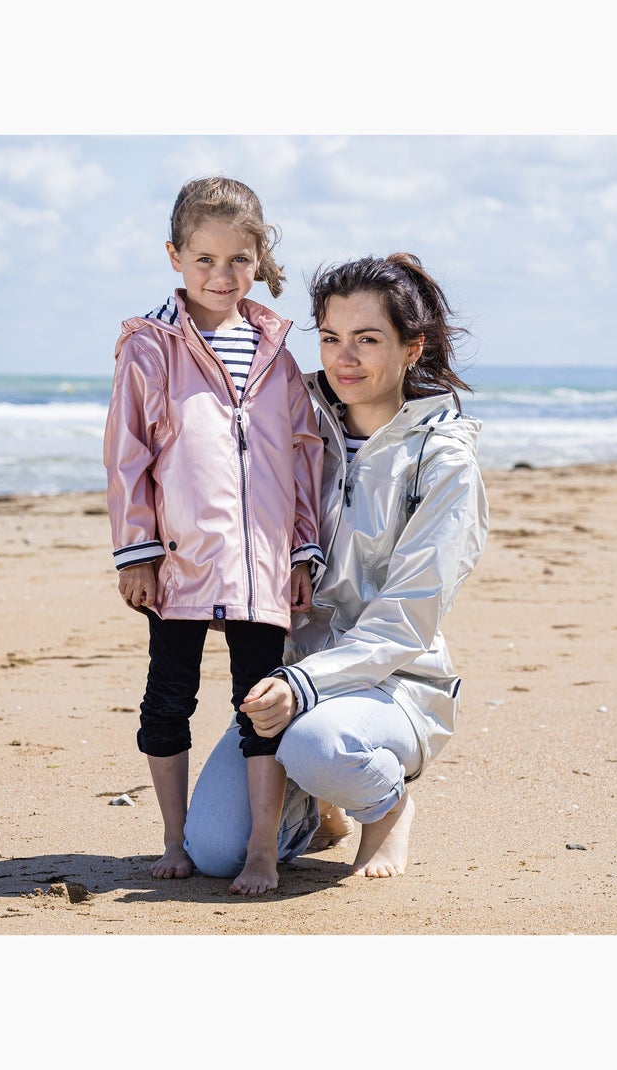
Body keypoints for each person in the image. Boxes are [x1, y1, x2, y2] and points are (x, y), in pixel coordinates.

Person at [184, 251, 489, 880]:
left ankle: (386, 799)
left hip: (396, 683)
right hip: (292, 674)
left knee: (319, 744)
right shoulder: (294, 420)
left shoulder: (444, 461)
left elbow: (408, 617)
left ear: (412, 349)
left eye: (367, 340)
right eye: (330, 337)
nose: (342, 358)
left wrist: (306, 687)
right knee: (215, 852)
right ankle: (322, 804)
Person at [103, 176, 324, 894]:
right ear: (175, 256)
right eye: (204, 260)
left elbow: (304, 456)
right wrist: (135, 551)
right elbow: (127, 455)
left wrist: (301, 549)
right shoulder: (150, 348)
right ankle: (173, 838)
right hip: (179, 566)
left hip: (262, 569)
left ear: (259, 259)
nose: (221, 276)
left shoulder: (276, 354)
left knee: (258, 704)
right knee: (168, 698)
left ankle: (263, 846)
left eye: (238, 260)